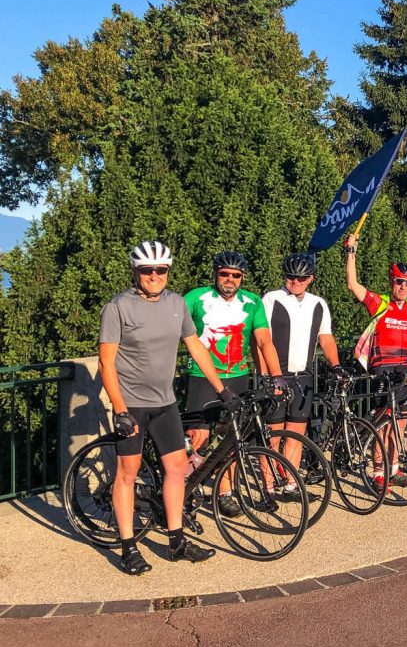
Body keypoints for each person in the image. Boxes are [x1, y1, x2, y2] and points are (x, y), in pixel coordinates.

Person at [99, 241, 228, 575]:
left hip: (165, 402)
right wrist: (120, 409)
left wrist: (222, 388)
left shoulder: (176, 303)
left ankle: (176, 542)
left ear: (168, 271)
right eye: (147, 270)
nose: (154, 276)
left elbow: (195, 346)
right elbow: (106, 363)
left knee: (176, 469)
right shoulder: (118, 307)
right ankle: (128, 547)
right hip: (133, 406)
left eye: (160, 270)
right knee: (127, 473)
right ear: (136, 271)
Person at [183, 250, 286, 517]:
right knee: (200, 437)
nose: (229, 279)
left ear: (242, 278)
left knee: (231, 438)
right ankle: (185, 487)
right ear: (215, 273)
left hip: (238, 375)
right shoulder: (196, 298)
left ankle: (225, 492)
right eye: (224, 274)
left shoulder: (252, 302)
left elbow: (264, 341)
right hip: (203, 376)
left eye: (236, 275)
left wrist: (276, 376)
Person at [343, 234, 407, 489]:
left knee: (399, 424)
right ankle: (378, 473)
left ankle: (394, 469)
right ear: (391, 281)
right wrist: (351, 253)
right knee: (383, 424)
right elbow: (353, 284)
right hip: (382, 372)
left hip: (404, 373)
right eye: (400, 281)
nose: (403, 287)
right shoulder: (382, 303)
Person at [261, 252, 343, 493]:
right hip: (277, 376)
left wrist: (336, 366)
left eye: (301, 277)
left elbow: (326, 339)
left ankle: (290, 482)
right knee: (273, 435)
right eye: (290, 276)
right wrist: (267, 375)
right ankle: (268, 487)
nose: (295, 281)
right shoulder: (271, 298)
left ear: (310, 279)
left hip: (304, 377)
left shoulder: (318, 303)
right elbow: (261, 341)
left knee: (296, 433)